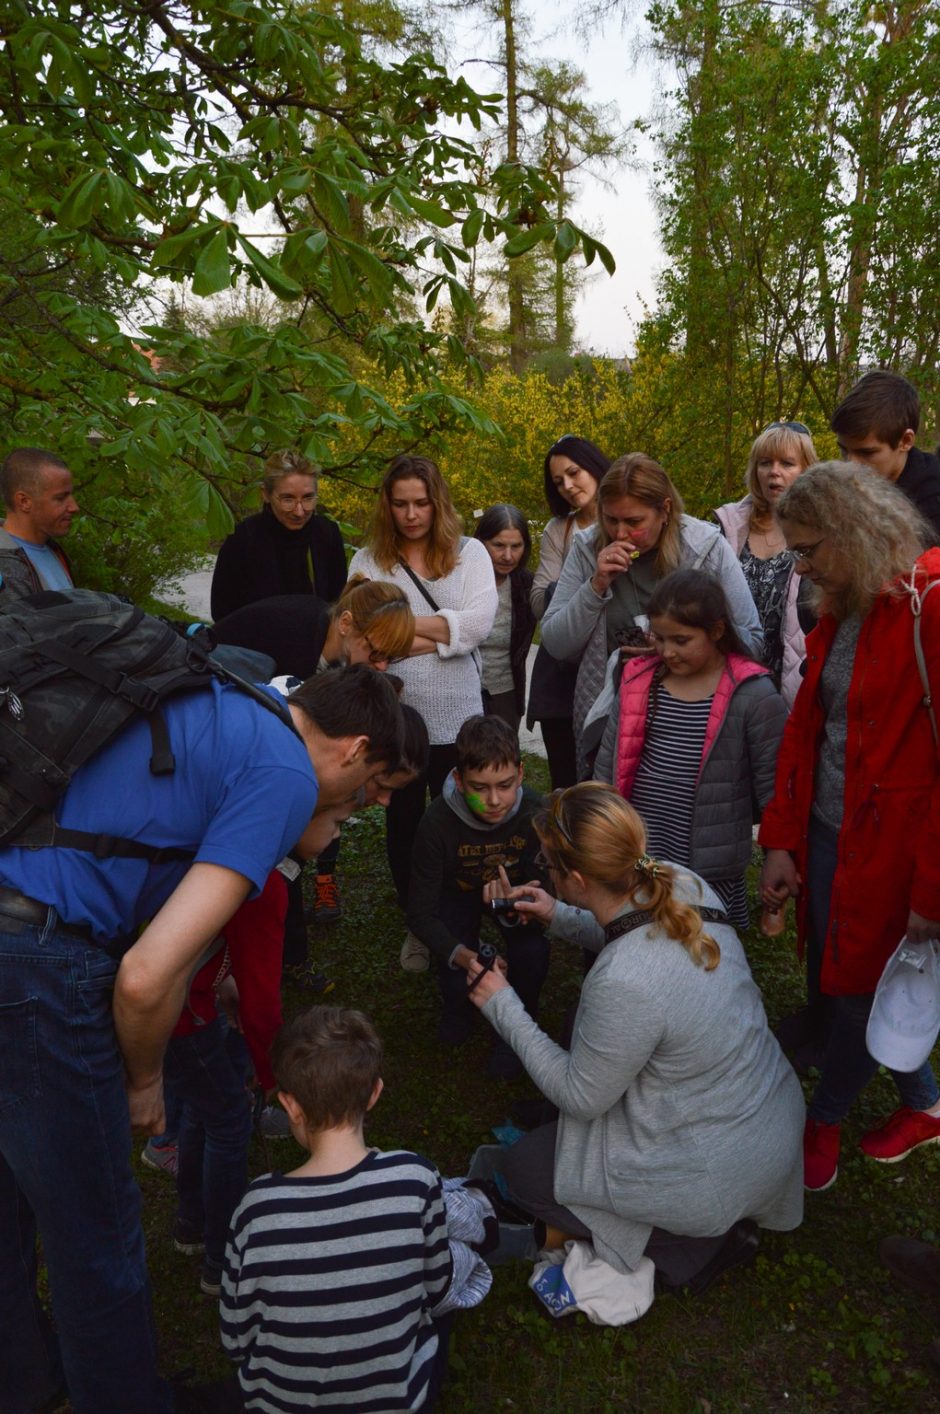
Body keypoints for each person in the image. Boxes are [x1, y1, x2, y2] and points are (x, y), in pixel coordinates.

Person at [0, 663, 404, 1414]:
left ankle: (25, 1381)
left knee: (9, 1197)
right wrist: (146, 1081)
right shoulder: (283, 770)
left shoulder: (230, 698)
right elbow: (147, 977)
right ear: (351, 748)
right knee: (97, 1233)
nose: (369, 800)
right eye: (373, 781)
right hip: (40, 965)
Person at [466, 783, 804, 1293]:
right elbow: (631, 925)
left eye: (549, 866)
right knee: (583, 1020)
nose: (545, 872)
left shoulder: (625, 981)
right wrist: (558, 915)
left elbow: (582, 1097)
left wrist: (501, 1003)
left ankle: (692, 1245)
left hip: (715, 1169)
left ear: (577, 878)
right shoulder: (676, 879)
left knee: (523, 1171)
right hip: (763, 1114)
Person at [759, 462, 940, 1194]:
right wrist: (781, 838)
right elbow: (810, 727)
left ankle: (825, 1114)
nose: (799, 567)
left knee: (862, 986)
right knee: (842, 978)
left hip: (898, 854)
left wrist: (932, 891)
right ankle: (924, 1101)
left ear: (855, 533)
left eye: (807, 550)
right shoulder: (848, 601)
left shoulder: (932, 604)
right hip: (833, 832)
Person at [163, 798, 360, 1299]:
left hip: (183, 1001)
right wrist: (272, 1076)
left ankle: (189, 1223)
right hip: (185, 1012)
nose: (338, 835)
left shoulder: (241, 852)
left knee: (202, 1112)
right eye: (335, 823)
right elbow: (262, 1002)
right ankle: (220, 1258)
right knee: (229, 1122)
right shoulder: (266, 888)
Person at [220, 1006, 454, 1412]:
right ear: (375, 1092)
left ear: (291, 1106)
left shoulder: (256, 1209)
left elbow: (235, 1338)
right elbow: (437, 1288)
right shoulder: (417, 1179)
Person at [348, 454, 498, 963]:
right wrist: (442, 631)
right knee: (404, 824)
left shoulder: (470, 554)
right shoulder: (367, 562)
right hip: (397, 717)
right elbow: (367, 638)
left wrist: (401, 632)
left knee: (461, 820)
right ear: (386, 506)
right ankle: (418, 923)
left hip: (459, 715)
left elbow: (479, 624)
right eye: (400, 504)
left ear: (438, 503)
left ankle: (459, 916)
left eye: (421, 503)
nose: (411, 515)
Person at [541, 453, 762, 776]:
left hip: (693, 718)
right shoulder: (587, 548)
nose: (619, 534)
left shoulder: (706, 548)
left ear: (665, 511)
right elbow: (555, 642)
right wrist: (596, 585)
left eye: (634, 522)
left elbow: (752, 642)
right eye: (610, 519)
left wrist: (679, 646)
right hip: (616, 720)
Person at [594, 569, 786, 929]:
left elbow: (773, 787)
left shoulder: (753, 695)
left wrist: (778, 853)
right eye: (660, 638)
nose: (667, 651)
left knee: (703, 947)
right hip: (644, 848)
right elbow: (609, 762)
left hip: (709, 862)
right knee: (641, 936)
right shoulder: (638, 679)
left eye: (681, 640)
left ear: (716, 631)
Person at [406, 715, 549, 1077]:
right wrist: (465, 957)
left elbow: (547, 890)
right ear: (457, 779)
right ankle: (458, 1009)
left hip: (513, 896)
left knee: (532, 951)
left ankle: (517, 1027)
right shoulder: (436, 823)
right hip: (456, 893)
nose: (494, 800)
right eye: (479, 787)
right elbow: (420, 913)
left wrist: (515, 909)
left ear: (521, 773)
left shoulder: (536, 813)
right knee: (454, 957)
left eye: (505, 785)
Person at [714, 420, 818, 707]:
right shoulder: (728, 527)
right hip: (730, 681)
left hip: (792, 683)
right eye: (765, 463)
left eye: (787, 463)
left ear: (807, 469)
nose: (774, 472)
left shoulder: (824, 530)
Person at [527, 434, 610, 788]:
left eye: (574, 472)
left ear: (593, 465)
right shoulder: (558, 530)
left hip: (611, 668)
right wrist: (590, 589)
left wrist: (564, 593)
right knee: (566, 782)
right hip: (563, 677)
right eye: (559, 481)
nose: (568, 486)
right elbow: (538, 602)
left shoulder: (626, 520)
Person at [210, 449, 347, 621]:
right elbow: (222, 613)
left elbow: (338, 603)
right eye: (288, 499)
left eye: (308, 498)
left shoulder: (327, 534)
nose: (299, 511)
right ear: (265, 494)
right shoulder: (243, 539)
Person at [212, 575, 415, 682]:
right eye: (377, 653)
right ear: (345, 623)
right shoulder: (295, 640)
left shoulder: (327, 632)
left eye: (390, 657)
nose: (383, 667)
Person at [831, 370, 940, 543]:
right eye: (844, 450)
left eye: (866, 453)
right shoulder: (839, 489)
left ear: (905, 441)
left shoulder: (932, 504)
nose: (850, 464)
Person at [473, 503, 536, 731]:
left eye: (516, 546)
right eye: (498, 545)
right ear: (480, 543)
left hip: (506, 695)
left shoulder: (527, 586)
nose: (508, 556)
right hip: (461, 690)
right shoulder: (461, 580)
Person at [0, 446, 78, 598]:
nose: (74, 507)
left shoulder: (54, 550)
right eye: (60, 498)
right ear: (24, 502)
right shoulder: (5, 566)